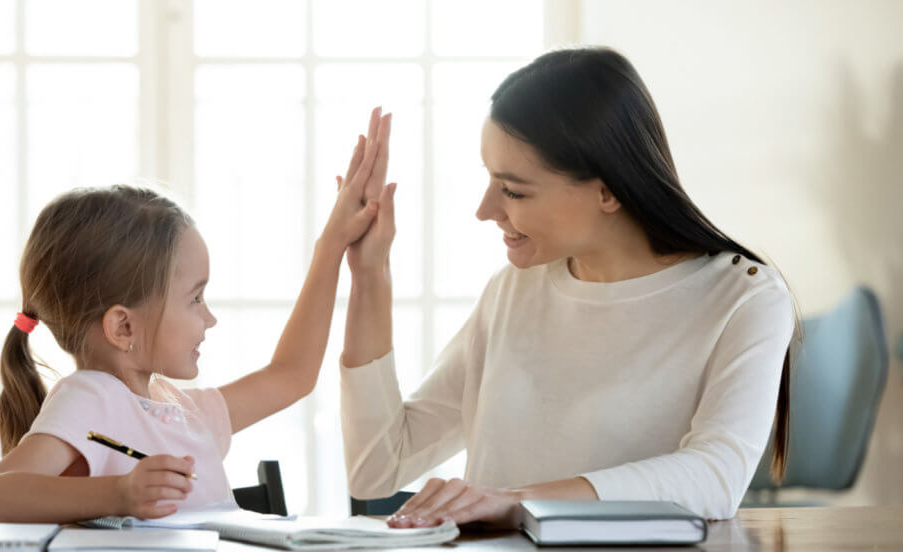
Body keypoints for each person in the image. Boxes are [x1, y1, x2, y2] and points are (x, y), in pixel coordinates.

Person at [338, 47, 797, 527]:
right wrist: (370, 276)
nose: (485, 209)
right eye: (490, 181)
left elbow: (715, 478)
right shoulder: (514, 291)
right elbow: (378, 469)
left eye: (513, 190)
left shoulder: (744, 298)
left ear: (608, 190)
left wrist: (517, 500)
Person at [0, 109, 393, 523]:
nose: (209, 319)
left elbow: (292, 375)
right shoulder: (92, 397)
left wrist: (334, 244)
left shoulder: (180, 410)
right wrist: (117, 494)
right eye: (195, 299)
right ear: (123, 327)